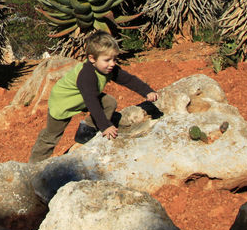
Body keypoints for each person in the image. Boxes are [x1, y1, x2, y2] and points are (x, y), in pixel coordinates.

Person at [28, 31, 160, 163]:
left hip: (83, 97)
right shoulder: (87, 75)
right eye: (107, 60)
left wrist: (147, 91)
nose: (112, 63)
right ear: (92, 59)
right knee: (51, 136)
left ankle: (86, 132)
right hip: (63, 102)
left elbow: (129, 80)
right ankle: (34, 165)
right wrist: (105, 126)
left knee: (109, 103)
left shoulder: (108, 68)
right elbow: (92, 102)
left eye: (114, 59)